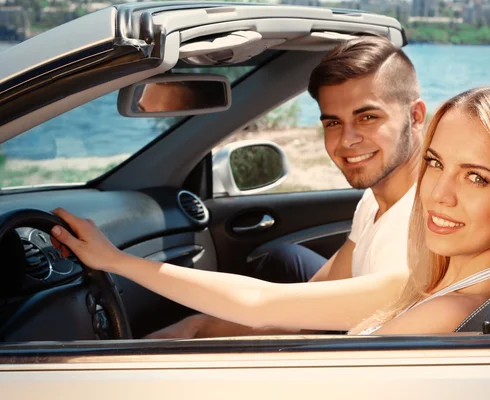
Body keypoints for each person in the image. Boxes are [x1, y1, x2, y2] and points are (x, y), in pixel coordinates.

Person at [50, 85, 490, 336]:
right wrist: (117, 261)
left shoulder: (445, 313)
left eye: (477, 177)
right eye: (435, 163)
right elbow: (262, 303)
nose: (439, 195)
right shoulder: (435, 284)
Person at [49, 35, 428, 337]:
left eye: (367, 117)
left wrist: (116, 261)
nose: (346, 141)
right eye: (332, 123)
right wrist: (199, 328)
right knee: (279, 259)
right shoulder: (377, 200)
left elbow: (263, 303)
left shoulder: (422, 229)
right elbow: (308, 305)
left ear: (415, 116)